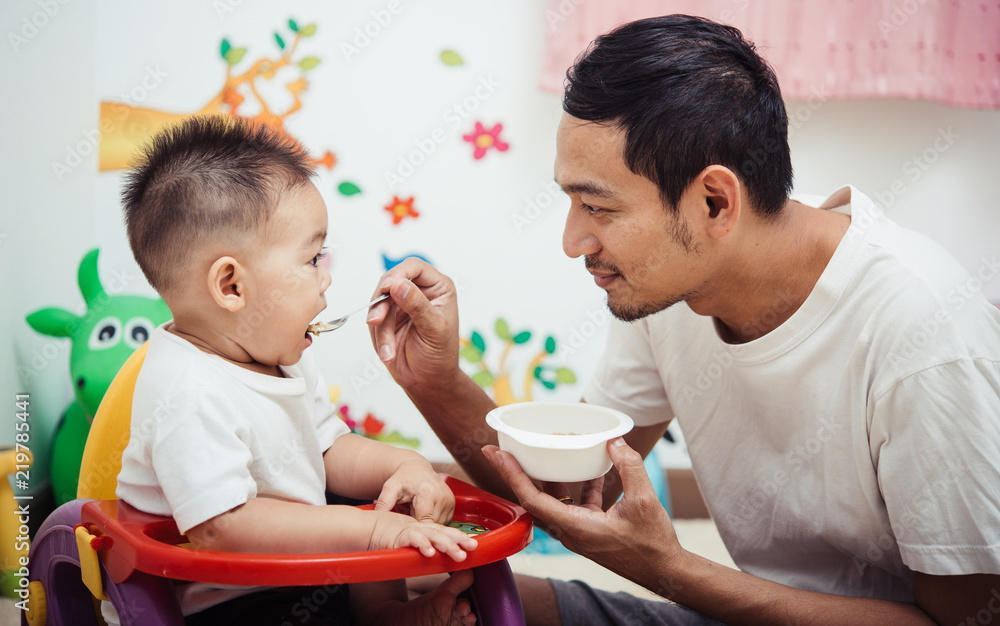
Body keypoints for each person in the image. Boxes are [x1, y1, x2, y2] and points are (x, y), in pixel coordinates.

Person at [366, 14, 1000, 625]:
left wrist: (670, 570)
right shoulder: (671, 288)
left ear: (714, 202)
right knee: (415, 592)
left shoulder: (926, 336)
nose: (573, 241)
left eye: (597, 206)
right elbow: (577, 498)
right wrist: (434, 379)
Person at [116, 115, 479, 626]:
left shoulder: (280, 359)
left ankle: (388, 613)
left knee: (382, 503)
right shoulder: (185, 387)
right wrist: (373, 533)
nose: (326, 281)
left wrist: (404, 465)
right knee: (366, 528)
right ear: (232, 286)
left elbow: (327, 448)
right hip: (237, 600)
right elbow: (222, 526)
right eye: (313, 260)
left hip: (312, 572)